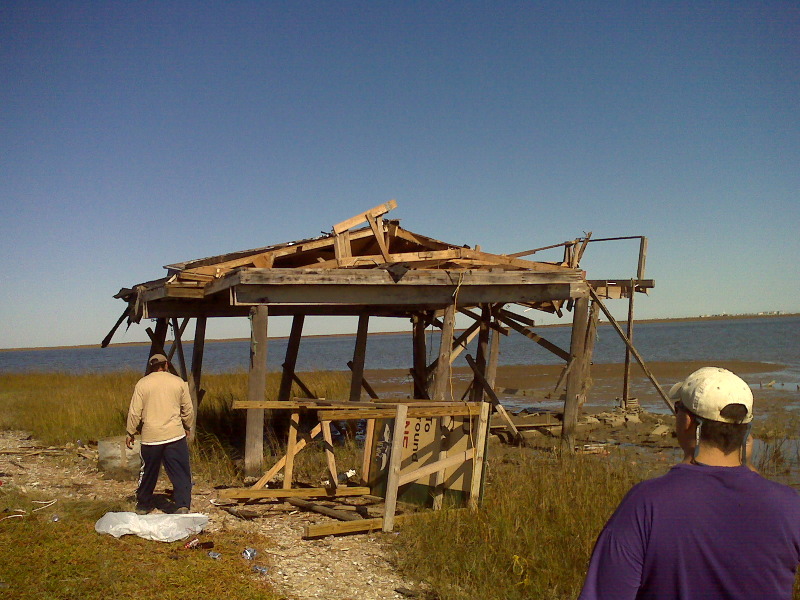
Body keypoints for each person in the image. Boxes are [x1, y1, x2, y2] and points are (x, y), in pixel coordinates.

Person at [579, 366, 800, 600]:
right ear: (746, 430)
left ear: (687, 421)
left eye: (678, 409)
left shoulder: (645, 504)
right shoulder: (788, 505)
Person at [126, 353, 194, 515]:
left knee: (148, 472)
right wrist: (187, 425)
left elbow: (135, 411)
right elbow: (187, 408)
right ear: (166, 365)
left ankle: (143, 505)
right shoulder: (178, 382)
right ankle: (182, 504)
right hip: (175, 435)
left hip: (151, 437)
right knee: (180, 471)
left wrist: (130, 432)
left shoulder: (142, 384)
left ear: (151, 367)